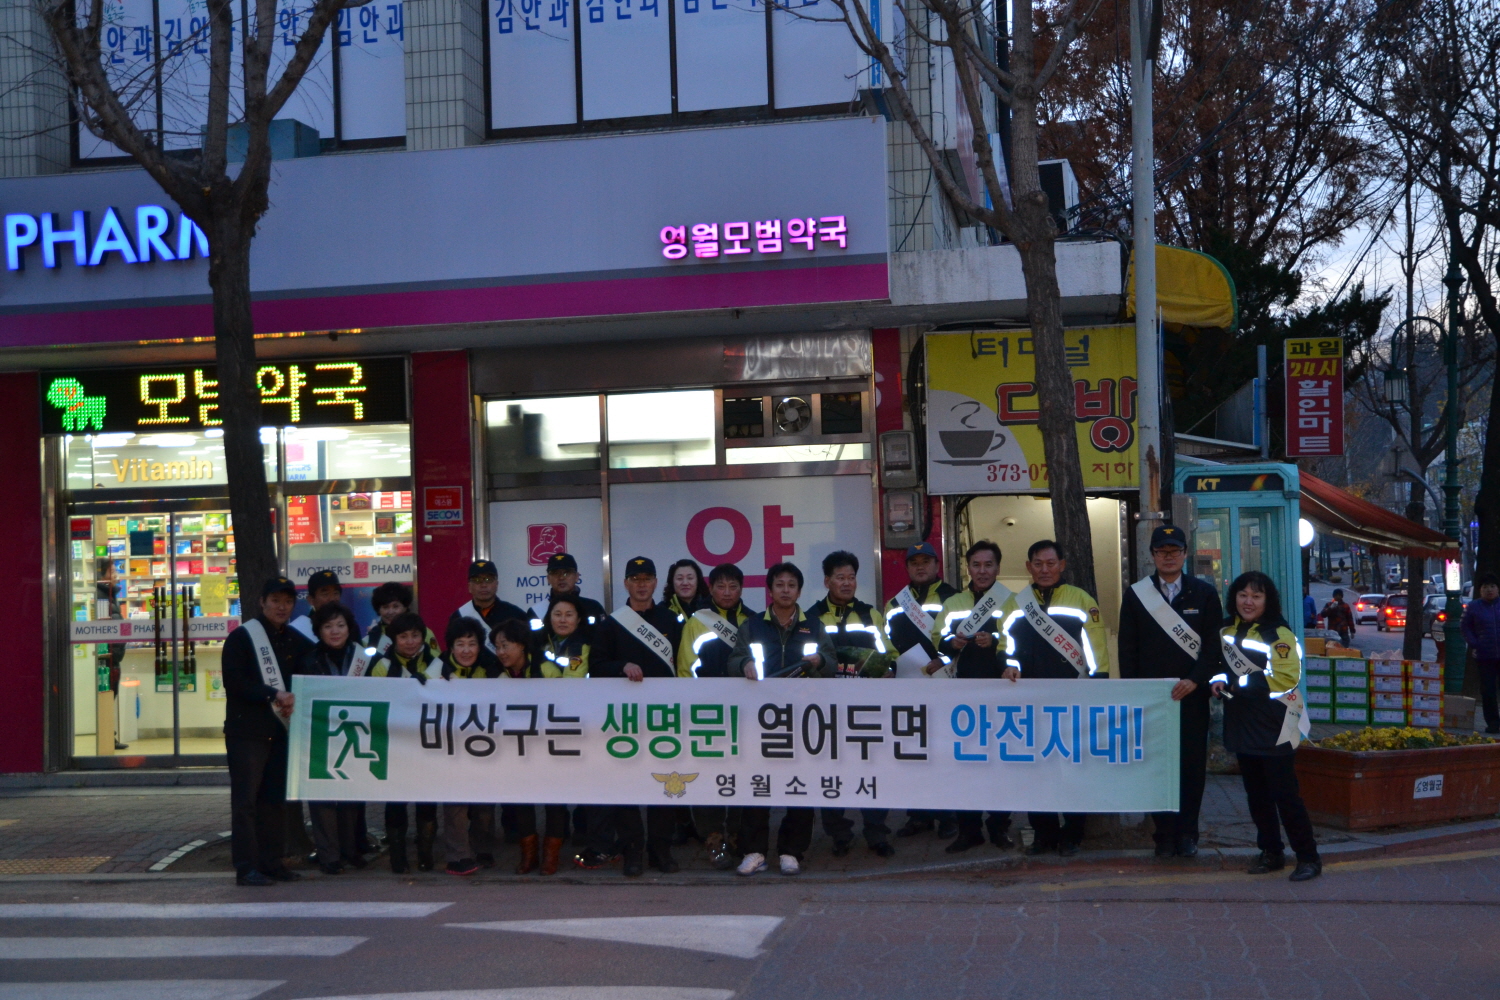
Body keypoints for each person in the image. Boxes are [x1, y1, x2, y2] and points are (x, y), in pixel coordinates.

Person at [1117, 525, 1224, 858]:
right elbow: (1127, 649)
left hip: (1192, 696)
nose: (1168, 556)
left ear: (1185, 554)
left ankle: (1188, 833)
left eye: (1174, 550)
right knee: (1156, 766)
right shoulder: (1136, 595)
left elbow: (1214, 646)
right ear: (1152, 555)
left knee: (1191, 767)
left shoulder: (1204, 594)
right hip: (1153, 700)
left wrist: (1196, 680)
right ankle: (1163, 835)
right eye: (1161, 551)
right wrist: (1137, 693)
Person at [728, 562, 837, 877]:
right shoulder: (752, 625)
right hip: (760, 718)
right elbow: (732, 660)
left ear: (799, 591)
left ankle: (792, 852)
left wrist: (821, 660)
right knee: (757, 784)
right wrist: (744, 664)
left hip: (802, 717)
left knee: (799, 785)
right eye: (780, 584)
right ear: (770, 590)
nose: (785, 590)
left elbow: (832, 664)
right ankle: (754, 852)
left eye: (791, 585)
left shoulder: (814, 625)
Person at [1211, 570, 1321, 882]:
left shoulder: (1279, 633)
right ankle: (1271, 852)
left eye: (1256, 596)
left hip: (1275, 722)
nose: (1248, 602)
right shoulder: (1226, 628)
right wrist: (1219, 680)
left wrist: (1238, 683)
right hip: (1241, 720)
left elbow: (1286, 678)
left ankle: (1308, 857)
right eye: (1243, 595)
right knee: (1256, 795)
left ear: (1267, 600)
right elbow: (1218, 664)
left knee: (1285, 795)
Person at [1003, 540, 1110, 856]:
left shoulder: (1081, 599)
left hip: (1072, 698)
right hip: (1029, 700)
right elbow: (1005, 644)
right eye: (1038, 564)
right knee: (1035, 770)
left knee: (1073, 769)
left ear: (1062, 565)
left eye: (1051, 563)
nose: (1044, 569)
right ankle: (1043, 834)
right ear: (1028, 567)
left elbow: (1096, 649)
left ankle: (1072, 834)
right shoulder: (1016, 603)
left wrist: (1098, 684)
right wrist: (1008, 664)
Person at [583, 557, 685, 875]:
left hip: (664, 717)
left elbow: (684, 667)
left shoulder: (671, 621)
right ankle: (632, 851)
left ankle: (660, 850)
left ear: (655, 583)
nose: (641, 585)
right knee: (627, 786)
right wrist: (621, 667)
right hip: (624, 719)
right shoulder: (611, 624)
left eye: (647, 578)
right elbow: (596, 667)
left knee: (665, 784)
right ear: (626, 584)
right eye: (635, 579)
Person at [221, 576, 312, 886]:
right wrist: (273, 694)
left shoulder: (296, 640)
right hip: (247, 733)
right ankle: (246, 867)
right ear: (262, 602)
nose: (281, 607)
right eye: (275, 601)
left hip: (281, 732)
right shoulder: (242, 637)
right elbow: (235, 682)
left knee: (274, 801)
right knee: (245, 803)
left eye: (287, 601)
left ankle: (272, 863)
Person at [807, 550, 895, 859]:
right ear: (827, 581)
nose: (846, 583)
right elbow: (805, 660)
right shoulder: (812, 617)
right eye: (840, 578)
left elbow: (889, 654)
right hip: (828, 710)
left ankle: (876, 833)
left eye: (851, 577)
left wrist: (890, 669)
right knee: (831, 772)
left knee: (873, 770)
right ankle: (839, 834)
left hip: (868, 709)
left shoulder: (871, 615)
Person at [932, 540, 1016, 854]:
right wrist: (951, 643)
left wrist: (994, 641)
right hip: (961, 696)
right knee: (964, 766)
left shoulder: (1011, 601)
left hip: (1000, 695)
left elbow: (1018, 639)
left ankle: (999, 828)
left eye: (988, 565)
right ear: (968, 568)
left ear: (998, 567)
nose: (982, 571)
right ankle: (969, 831)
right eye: (976, 565)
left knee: (1000, 766)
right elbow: (937, 638)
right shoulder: (954, 602)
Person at [884, 542, 958, 840]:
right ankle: (918, 816)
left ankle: (949, 816)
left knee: (944, 754)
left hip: (944, 685)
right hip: (909, 687)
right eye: (914, 562)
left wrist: (945, 660)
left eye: (926, 561)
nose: (920, 566)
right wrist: (892, 665)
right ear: (907, 567)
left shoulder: (953, 597)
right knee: (913, 754)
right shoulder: (894, 603)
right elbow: (886, 643)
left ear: (937, 565)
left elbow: (961, 639)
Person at [489, 617, 573, 875]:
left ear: (522, 645)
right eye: (497, 647)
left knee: (554, 802)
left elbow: (566, 705)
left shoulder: (547, 670)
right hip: (517, 749)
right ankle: (528, 855)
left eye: (506, 645)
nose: (501, 652)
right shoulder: (497, 675)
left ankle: (551, 856)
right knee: (521, 801)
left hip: (549, 747)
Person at [297, 602, 369, 875]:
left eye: (340, 625)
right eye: (328, 626)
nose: (335, 631)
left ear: (349, 628)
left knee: (352, 794)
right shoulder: (308, 660)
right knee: (322, 796)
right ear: (319, 630)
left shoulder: (363, 658)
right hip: (320, 736)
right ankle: (329, 855)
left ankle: (351, 851)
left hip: (354, 733)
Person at [430, 617, 503, 875]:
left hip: (485, 747)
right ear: (450, 646)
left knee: (485, 805)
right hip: (450, 748)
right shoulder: (436, 669)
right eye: (460, 644)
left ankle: (482, 848)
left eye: (472, 644)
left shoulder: (492, 668)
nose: (466, 650)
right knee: (455, 805)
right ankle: (457, 856)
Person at [369, 611, 439, 873]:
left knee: (427, 800)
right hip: (395, 744)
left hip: (428, 744)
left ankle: (425, 854)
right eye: (403, 636)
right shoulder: (381, 666)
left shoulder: (437, 663)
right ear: (393, 639)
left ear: (423, 637)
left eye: (415, 636)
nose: (410, 641)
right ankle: (398, 856)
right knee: (396, 800)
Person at [449, 559, 530, 652]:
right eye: (477, 580)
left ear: (496, 584)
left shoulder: (515, 615)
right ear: (469, 586)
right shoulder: (459, 617)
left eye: (488, 579)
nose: (483, 585)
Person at [1461, 572, 1500, 734]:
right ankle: (1493, 723)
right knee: (1488, 691)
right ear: (1480, 590)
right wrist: (1475, 643)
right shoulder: (1473, 607)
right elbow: (1465, 626)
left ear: (1497, 589)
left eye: (1492, 586)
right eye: (1485, 587)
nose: (1489, 590)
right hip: (1485, 656)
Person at [541, 553, 606, 640]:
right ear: (548, 578)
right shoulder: (537, 611)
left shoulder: (593, 607)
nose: (561, 578)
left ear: (576, 577)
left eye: (566, 573)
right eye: (555, 573)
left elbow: (605, 640)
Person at [366, 582, 438, 656]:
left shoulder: (422, 632)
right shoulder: (372, 635)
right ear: (378, 610)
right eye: (385, 607)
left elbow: (436, 658)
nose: (390, 612)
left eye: (395, 606)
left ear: (405, 607)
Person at [539, 594, 590, 678]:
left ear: (578, 619)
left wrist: (543, 663)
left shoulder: (581, 646)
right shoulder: (543, 640)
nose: (562, 620)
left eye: (568, 615)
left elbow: (571, 681)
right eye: (558, 614)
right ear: (550, 617)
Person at [290, 570, 343, 641]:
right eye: (325, 594)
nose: (332, 599)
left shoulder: (349, 626)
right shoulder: (299, 630)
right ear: (311, 600)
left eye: (335, 593)